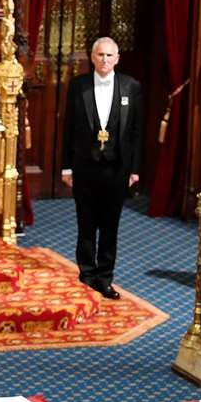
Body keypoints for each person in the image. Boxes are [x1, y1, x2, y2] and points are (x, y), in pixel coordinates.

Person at [60, 37, 143, 300]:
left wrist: (135, 169)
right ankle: (86, 276)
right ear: (92, 57)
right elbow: (68, 129)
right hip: (85, 167)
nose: (105, 60)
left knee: (110, 226)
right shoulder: (78, 86)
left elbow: (136, 133)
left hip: (117, 168)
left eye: (109, 55)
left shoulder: (132, 87)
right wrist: (66, 167)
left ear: (117, 59)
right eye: (100, 55)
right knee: (86, 225)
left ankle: (105, 278)